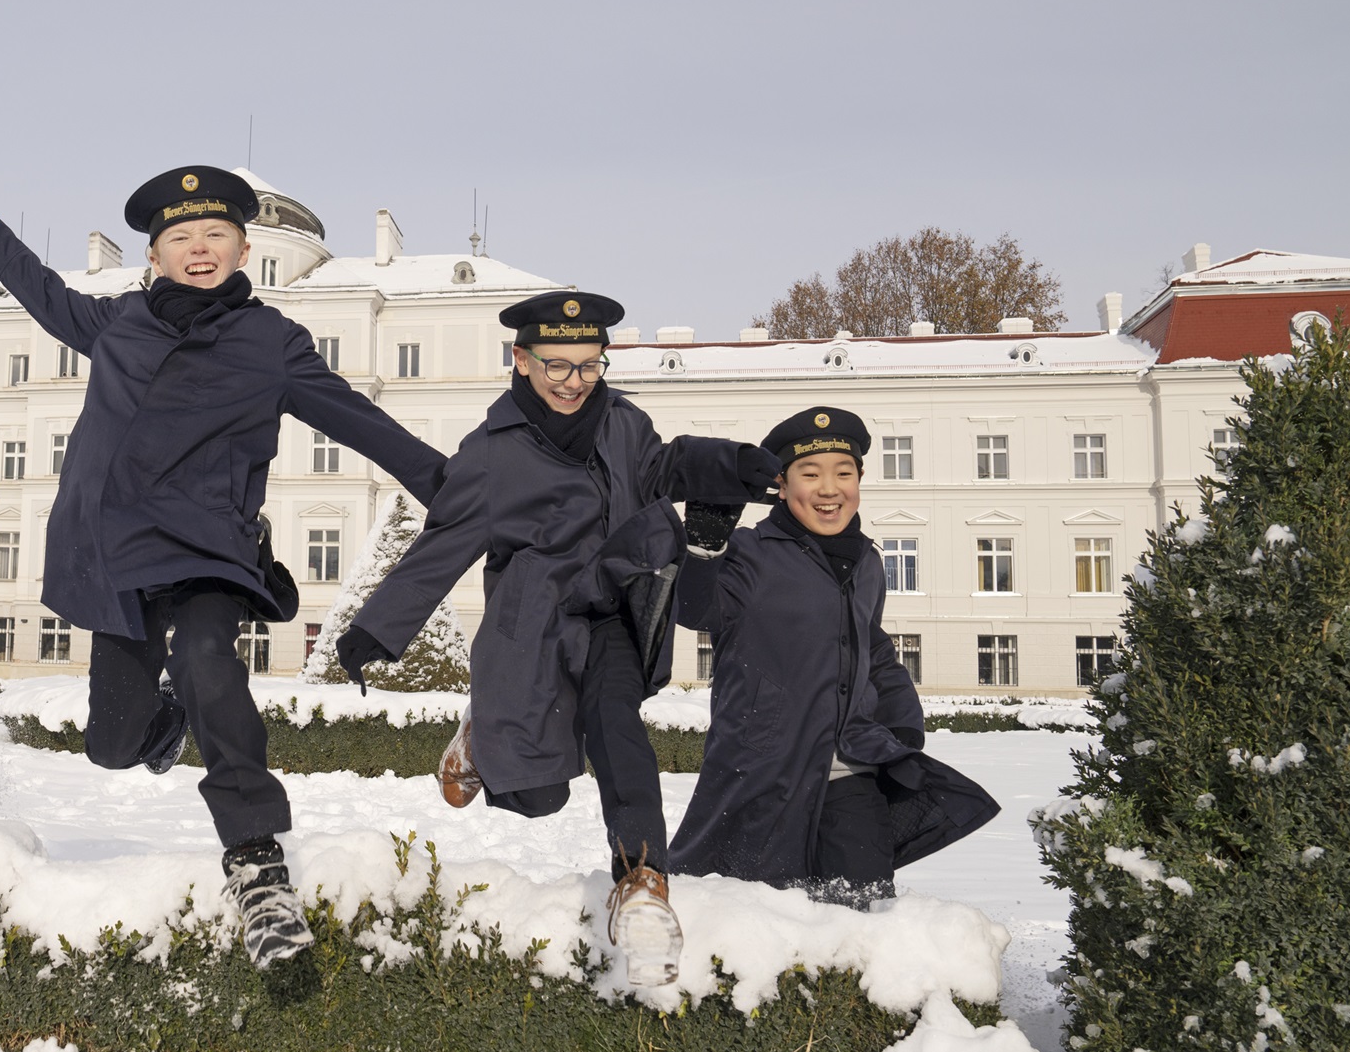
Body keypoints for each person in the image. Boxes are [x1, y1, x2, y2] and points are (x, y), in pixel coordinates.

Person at [0, 154, 448, 969]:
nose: (199, 247)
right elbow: (45, 297)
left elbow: (359, 422)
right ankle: (166, 712)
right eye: (181, 236)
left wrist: (447, 484)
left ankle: (256, 860)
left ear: (243, 251)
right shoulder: (117, 323)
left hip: (210, 546)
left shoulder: (272, 342)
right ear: (155, 255)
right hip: (117, 554)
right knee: (112, 746)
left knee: (212, 659)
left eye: (216, 233)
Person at [331, 291, 780, 984]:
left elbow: (667, 467)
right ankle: (481, 736)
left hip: (614, 616)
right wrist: (374, 630)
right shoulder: (489, 455)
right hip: (532, 629)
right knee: (535, 796)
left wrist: (731, 466)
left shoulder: (624, 425)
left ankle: (640, 882)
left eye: (588, 365)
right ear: (520, 360)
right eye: (556, 366)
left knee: (614, 726)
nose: (573, 382)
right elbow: (441, 546)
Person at [669, 406, 1000, 904]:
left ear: (859, 480)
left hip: (853, 774)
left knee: (859, 913)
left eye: (843, 473)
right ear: (781, 485)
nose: (829, 489)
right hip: (765, 772)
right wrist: (704, 550)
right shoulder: (749, 553)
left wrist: (902, 720)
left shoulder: (867, 560)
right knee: (755, 917)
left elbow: (872, 644)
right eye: (811, 473)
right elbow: (695, 610)